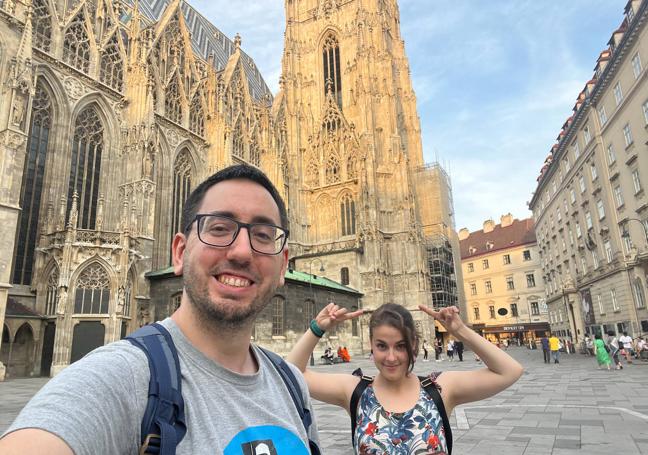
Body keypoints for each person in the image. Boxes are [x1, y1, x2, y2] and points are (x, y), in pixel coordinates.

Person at [0, 165, 319, 454]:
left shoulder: (290, 385)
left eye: (263, 236)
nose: (242, 250)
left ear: (283, 266)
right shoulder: (121, 378)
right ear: (179, 252)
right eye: (219, 228)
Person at [287, 302, 524, 453]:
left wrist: (459, 331)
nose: (391, 357)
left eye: (400, 346)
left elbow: (509, 371)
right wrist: (317, 329)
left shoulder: (439, 389)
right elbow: (290, 375)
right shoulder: (356, 391)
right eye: (382, 346)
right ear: (371, 345)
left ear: (413, 345)